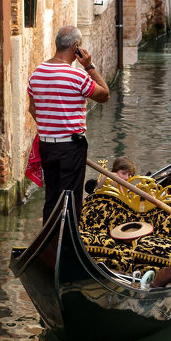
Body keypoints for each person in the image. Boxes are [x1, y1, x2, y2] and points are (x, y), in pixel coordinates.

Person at [28, 25, 111, 222]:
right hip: (71, 147)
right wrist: (89, 66)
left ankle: (49, 244)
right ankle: (66, 248)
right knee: (71, 200)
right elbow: (104, 95)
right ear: (76, 48)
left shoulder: (37, 73)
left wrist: (52, 127)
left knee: (52, 197)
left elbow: (33, 110)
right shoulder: (78, 76)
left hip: (46, 146)